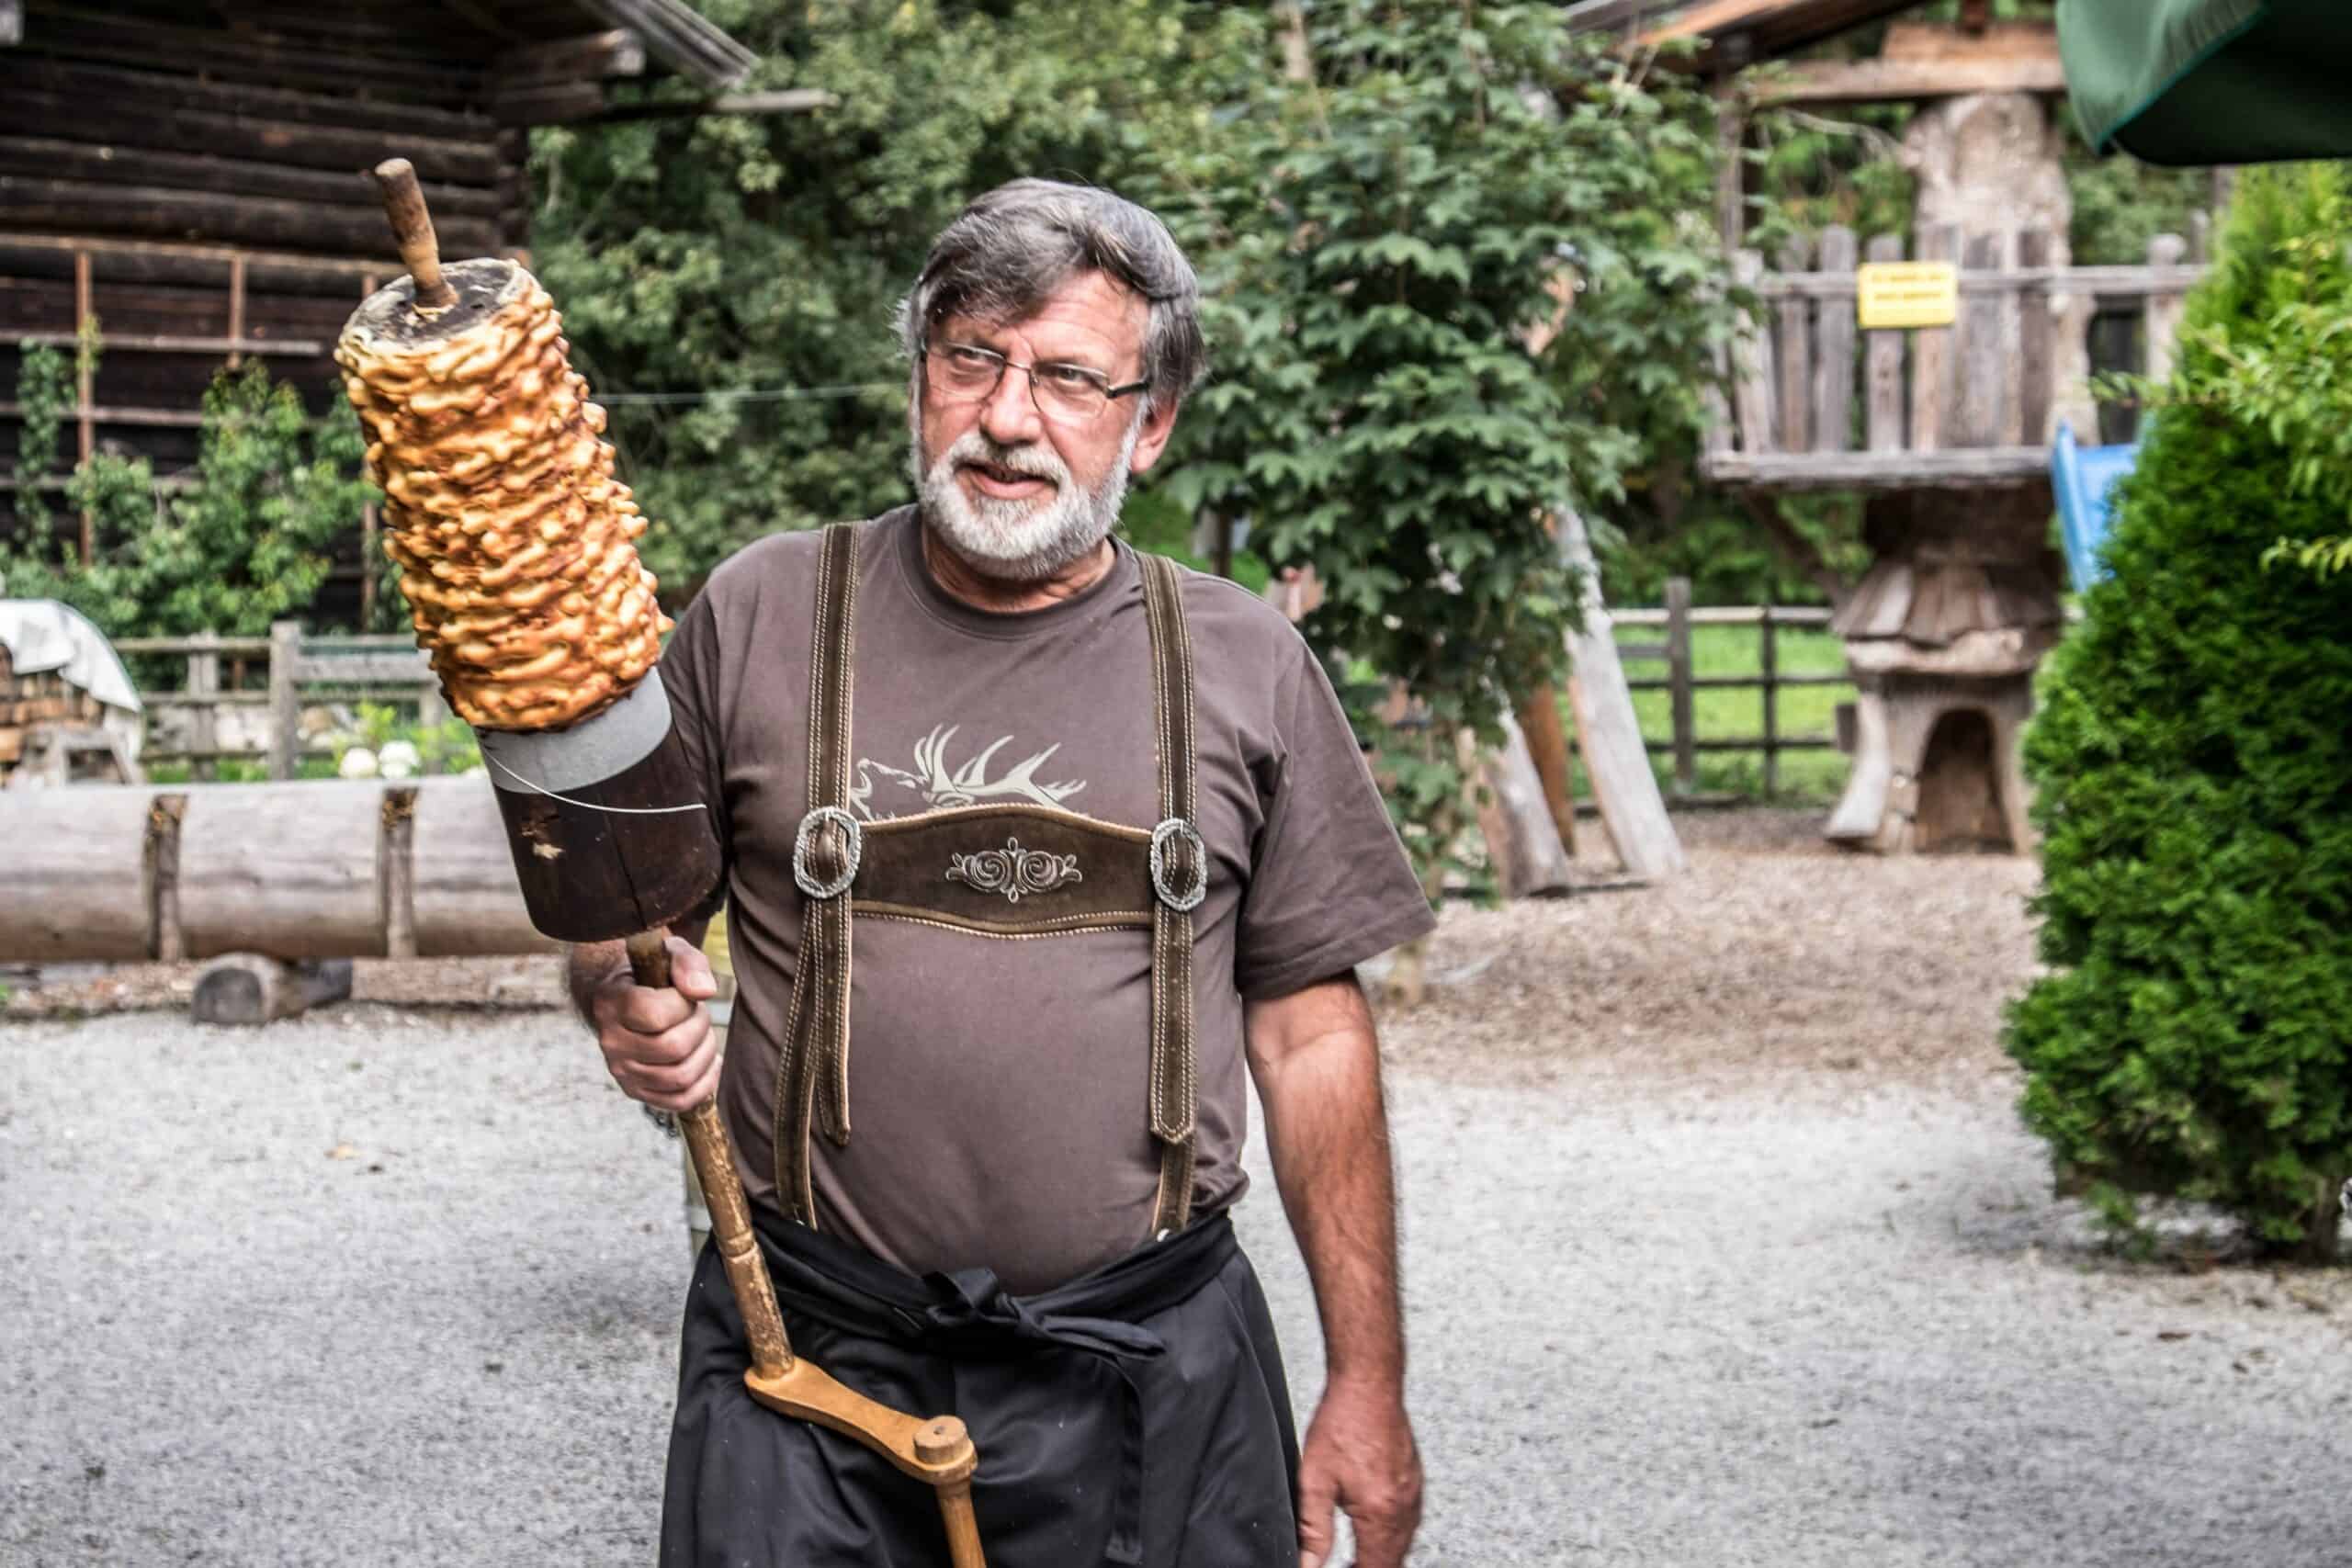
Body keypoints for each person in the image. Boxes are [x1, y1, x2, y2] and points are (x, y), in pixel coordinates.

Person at [569, 178, 1434, 1568]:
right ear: (922, 372)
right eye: (971, 359)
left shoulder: (1243, 659)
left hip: (1152, 1379)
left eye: (1071, 379)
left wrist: (1369, 1387)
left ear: (1150, 424)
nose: (1009, 417)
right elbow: (628, 935)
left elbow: (1311, 1032)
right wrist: (624, 1002)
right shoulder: (760, 612)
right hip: (805, 1369)